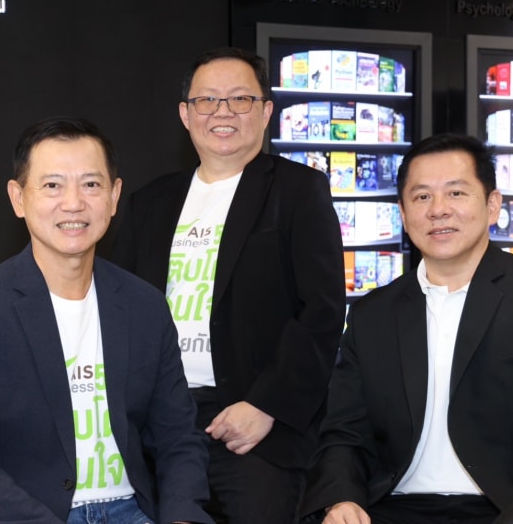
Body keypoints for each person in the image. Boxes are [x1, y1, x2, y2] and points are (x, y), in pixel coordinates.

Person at [300, 133, 513, 524]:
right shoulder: (372, 314)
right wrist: (341, 499)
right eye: (422, 196)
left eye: (456, 193)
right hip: (392, 507)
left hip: (510, 508)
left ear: (492, 205)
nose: (438, 210)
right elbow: (345, 433)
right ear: (403, 213)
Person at [0, 117, 214, 524]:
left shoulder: (144, 306)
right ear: (18, 198)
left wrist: (182, 517)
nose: (74, 203)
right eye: (52, 185)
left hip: (131, 510)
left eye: (91, 184)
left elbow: (179, 438)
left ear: (114, 197)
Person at [112, 47, 346, 523]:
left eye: (240, 99)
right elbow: (122, 310)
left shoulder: (298, 190)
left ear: (266, 112)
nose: (222, 112)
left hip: (254, 427)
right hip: (162, 423)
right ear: (185, 114)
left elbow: (322, 311)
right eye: (207, 100)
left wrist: (266, 406)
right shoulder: (150, 202)